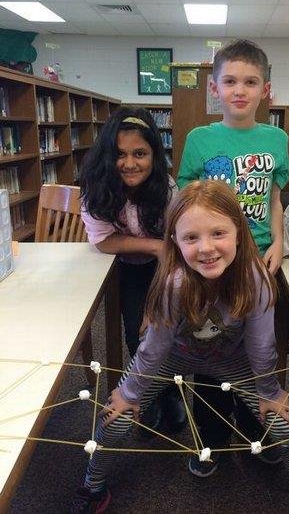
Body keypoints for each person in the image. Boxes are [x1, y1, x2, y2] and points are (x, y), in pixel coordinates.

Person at [71, 180, 289, 514]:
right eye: (191, 237)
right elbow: (154, 347)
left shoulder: (256, 278)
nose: (206, 248)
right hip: (174, 357)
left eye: (218, 233)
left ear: (238, 230)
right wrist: (130, 392)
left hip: (233, 361)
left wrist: (268, 390)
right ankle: (92, 487)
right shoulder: (173, 283)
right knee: (115, 417)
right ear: (175, 241)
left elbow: (263, 346)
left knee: (285, 422)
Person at [177, 38, 289, 471]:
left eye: (250, 81)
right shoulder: (200, 139)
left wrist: (278, 241)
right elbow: (187, 199)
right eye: (229, 81)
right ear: (214, 87)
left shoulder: (277, 137)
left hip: (258, 259)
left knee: (257, 349)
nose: (239, 90)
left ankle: (255, 433)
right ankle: (209, 439)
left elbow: (275, 196)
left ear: (265, 89)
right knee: (206, 346)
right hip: (210, 262)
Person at [80, 106, 186, 434]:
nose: (129, 163)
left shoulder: (166, 190)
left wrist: (158, 298)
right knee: (135, 332)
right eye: (120, 154)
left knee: (166, 327)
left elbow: (176, 247)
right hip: (125, 264)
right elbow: (102, 240)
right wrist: (153, 245)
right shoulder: (97, 188)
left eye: (140, 153)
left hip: (169, 264)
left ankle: (170, 393)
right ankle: (147, 395)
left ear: (155, 154)